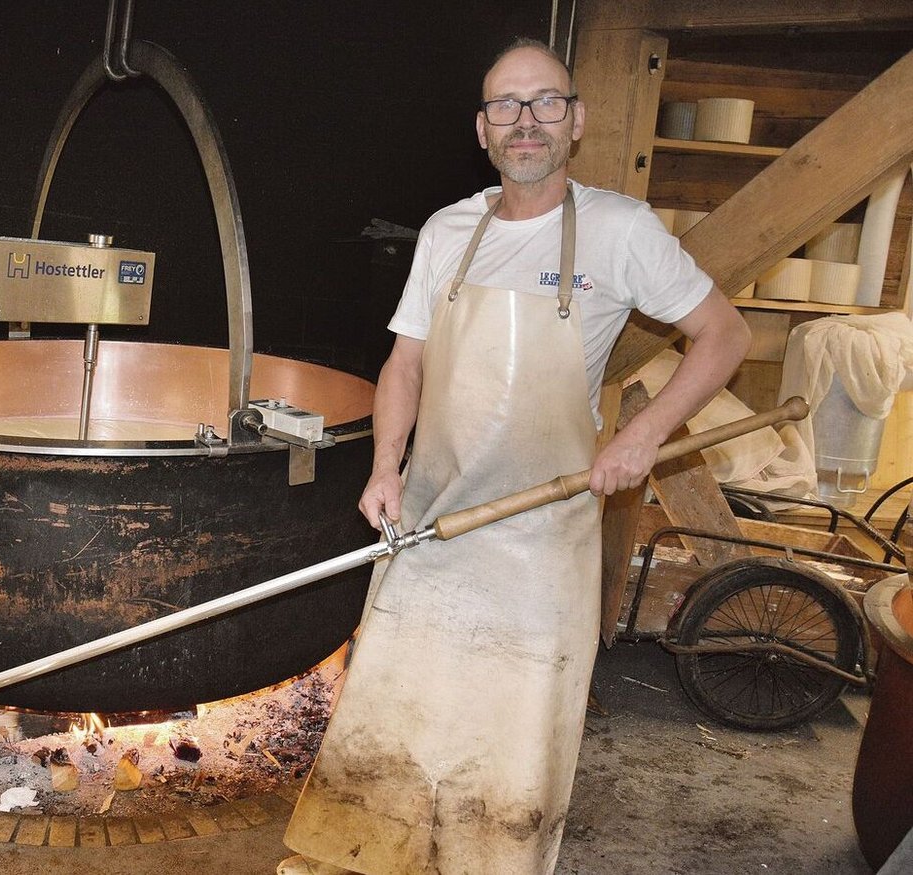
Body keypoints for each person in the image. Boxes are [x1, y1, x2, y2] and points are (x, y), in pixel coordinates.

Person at [278, 38, 751, 875]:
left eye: (544, 103)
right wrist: (385, 466)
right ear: (482, 129)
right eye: (506, 105)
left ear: (576, 121)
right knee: (393, 725)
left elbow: (724, 334)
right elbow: (406, 364)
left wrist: (643, 436)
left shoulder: (620, 230)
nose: (525, 121)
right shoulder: (447, 231)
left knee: (509, 756)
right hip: (432, 530)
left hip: (539, 548)